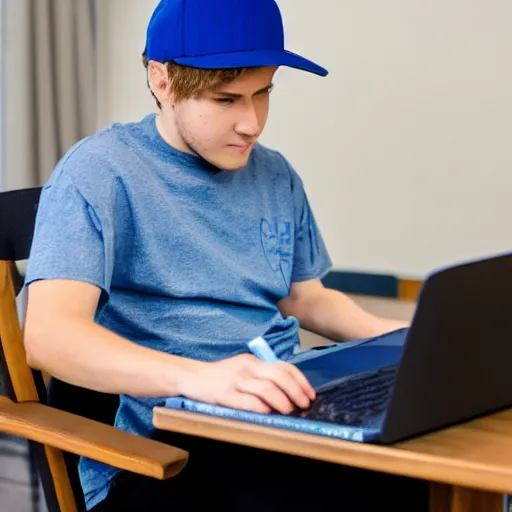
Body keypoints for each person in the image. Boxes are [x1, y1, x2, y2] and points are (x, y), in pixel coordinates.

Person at [23, 0, 427, 510]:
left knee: (425, 472)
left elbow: (306, 298)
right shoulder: (100, 173)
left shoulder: (275, 174)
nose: (252, 123)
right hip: (164, 447)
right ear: (162, 80)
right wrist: (202, 377)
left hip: (278, 417)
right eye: (226, 99)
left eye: (264, 93)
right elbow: (48, 338)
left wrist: (408, 344)